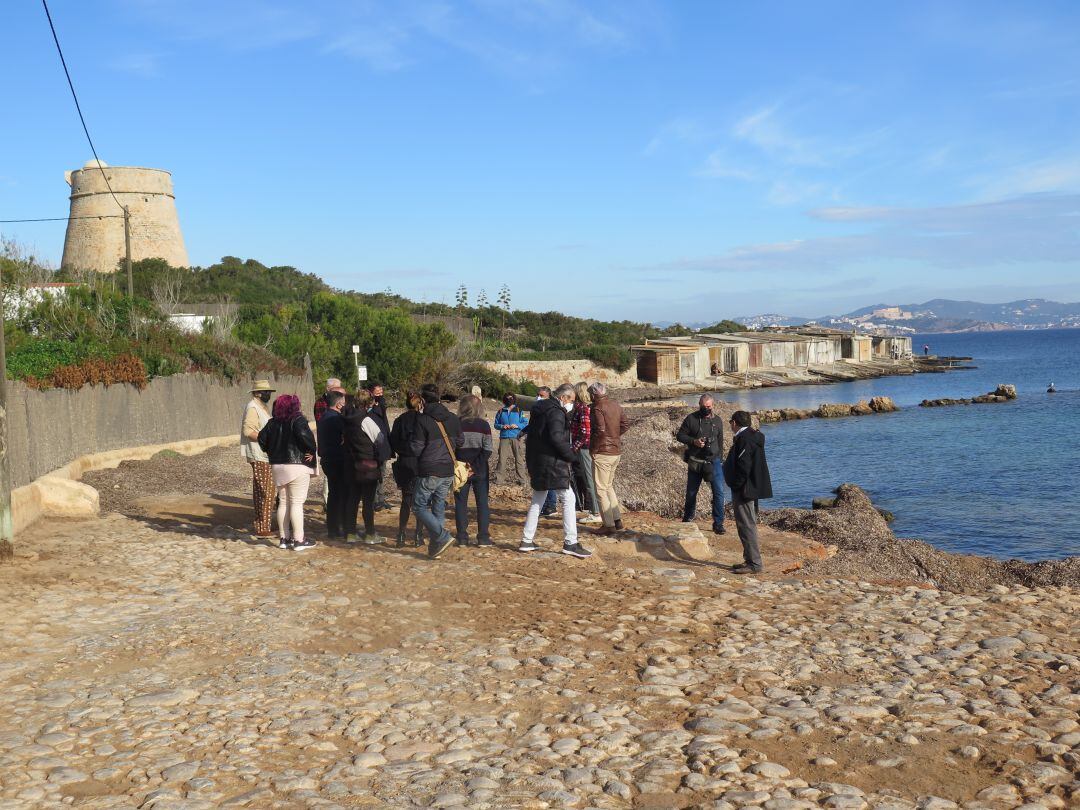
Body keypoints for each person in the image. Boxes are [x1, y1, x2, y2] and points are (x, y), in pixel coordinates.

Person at [518, 383, 592, 558]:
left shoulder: (539, 408)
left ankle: (527, 539)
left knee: (538, 499)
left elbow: (535, 436)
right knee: (568, 498)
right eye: (571, 400)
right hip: (553, 463)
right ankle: (570, 542)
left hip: (538, 460)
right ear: (563, 397)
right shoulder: (556, 412)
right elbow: (557, 438)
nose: (572, 404)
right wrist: (571, 456)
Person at [258, 394, 318, 551]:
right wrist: (311, 450)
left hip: (278, 466)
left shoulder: (272, 423)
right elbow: (308, 438)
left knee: (283, 502)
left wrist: (270, 450)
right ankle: (299, 540)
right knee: (297, 503)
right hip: (297, 465)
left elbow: (261, 439)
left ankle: (284, 539)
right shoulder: (298, 420)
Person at [409, 384, 462, 559]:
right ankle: (436, 547)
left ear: (423, 400)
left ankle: (442, 536)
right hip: (448, 469)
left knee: (418, 506)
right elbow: (460, 441)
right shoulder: (453, 418)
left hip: (429, 469)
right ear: (439, 398)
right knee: (439, 506)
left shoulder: (422, 420)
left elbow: (416, 448)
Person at [722, 410, 773, 574]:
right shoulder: (753, 436)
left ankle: (755, 564)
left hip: (745, 488)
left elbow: (744, 466)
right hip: (752, 486)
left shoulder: (744, 439)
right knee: (747, 523)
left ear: (735, 423)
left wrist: (735, 484)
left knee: (746, 525)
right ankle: (749, 559)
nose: (730, 425)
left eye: (731, 422)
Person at [342, 389, 392, 544]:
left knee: (353, 498)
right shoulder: (366, 420)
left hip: (351, 462)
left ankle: (350, 533)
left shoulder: (345, 417)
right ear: (367, 403)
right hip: (367, 463)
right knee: (368, 501)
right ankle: (370, 533)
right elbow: (380, 438)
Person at [677, 395, 726, 535]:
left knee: (719, 493)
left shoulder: (717, 420)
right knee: (691, 493)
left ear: (713, 405)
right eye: (704, 406)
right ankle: (687, 520)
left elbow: (720, 441)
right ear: (699, 404)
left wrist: (720, 459)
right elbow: (680, 436)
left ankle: (718, 523)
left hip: (714, 461)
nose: (706, 409)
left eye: (709, 406)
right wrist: (694, 441)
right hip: (696, 462)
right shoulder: (691, 419)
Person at [589, 382, 629, 536]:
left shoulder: (597, 407)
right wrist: (615, 437)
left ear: (594, 394)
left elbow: (600, 429)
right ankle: (617, 520)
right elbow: (625, 424)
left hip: (603, 452)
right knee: (608, 486)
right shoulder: (615, 405)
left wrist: (594, 448)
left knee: (600, 489)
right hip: (615, 451)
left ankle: (608, 524)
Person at [455, 394, 493, 546]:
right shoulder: (484, 425)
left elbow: (453, 448)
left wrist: (465, 466)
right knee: (482, 503)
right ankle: (483, 537)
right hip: (480, 469)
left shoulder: (456, 424)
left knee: (460, 503)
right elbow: (488, 449)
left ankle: (462, 537)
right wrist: (475, 466)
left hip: (460, 468)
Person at [240, 379, 275, 539]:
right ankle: (263, 526)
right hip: (259, 454)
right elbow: (248, 430)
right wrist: (266, 441)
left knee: (262, 489)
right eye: (266, 392)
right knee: (265, 491)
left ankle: (262, 524)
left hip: (263, 453)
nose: (268, 394)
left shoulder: (260, 407)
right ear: (258, 393)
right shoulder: (253, 408)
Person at [390, 393, 426, 547]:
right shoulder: (423, 420)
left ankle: (401, 535)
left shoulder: (399, 420)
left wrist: (402, 451)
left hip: (404, 461)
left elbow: (393, 441)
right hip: (420, 462)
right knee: (421, 501)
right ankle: (418, 535)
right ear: (420, 405)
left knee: (406, 500)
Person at [317, 389, 348, 540]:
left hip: (327, 459)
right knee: (339, 494)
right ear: (339, 404)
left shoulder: (323, 417)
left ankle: (332, 528)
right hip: (337, 459)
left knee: (333, 494)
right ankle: (339, 527)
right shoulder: (336, 419)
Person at [571, 381, 601, 524]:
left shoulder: (583, 409)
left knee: (589, 480)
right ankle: (597, 510)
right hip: (591, 447)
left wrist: (574, 447)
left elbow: (585, 433)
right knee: (594, 479)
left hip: (584, 448)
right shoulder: (590, 407)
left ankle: (595, 512)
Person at [366, 381, 394, 512]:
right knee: (374, 475)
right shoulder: (368, 409)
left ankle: (380, 500)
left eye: (381, 393)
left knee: (382, 474)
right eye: (377, 393)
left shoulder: (381, 405)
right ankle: (374, 500)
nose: (380, 395)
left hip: (383, 445)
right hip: (373, 447)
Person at [493, 393, 529, 486]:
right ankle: (499, 480)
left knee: (519, 459)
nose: (509, 399)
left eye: (511, 398)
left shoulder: (519, 410)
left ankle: (522, 480)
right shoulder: (501, 411)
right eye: (507, 398)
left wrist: (517, 425)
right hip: (504, 437)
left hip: (516, 437)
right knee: (502, 459)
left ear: (514, 399)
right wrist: (502, 426)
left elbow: (525, 423)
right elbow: (496, 424)